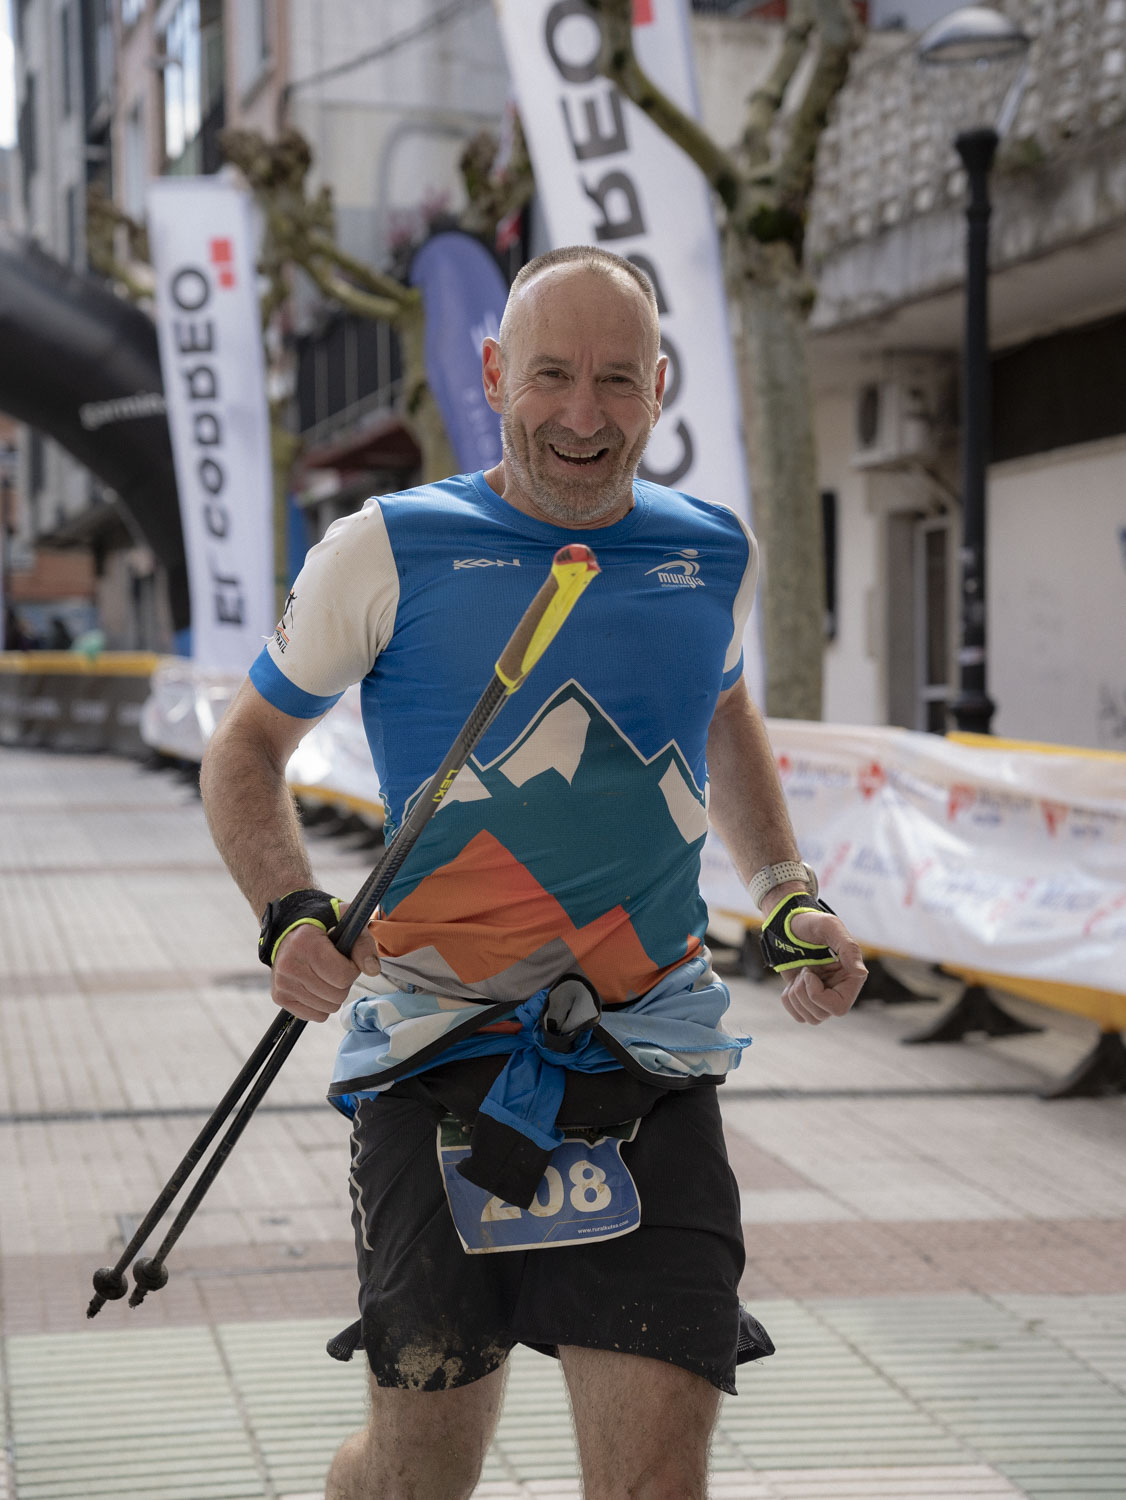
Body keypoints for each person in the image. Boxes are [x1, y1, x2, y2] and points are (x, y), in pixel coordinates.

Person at [199, 245, 867, 1500]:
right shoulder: (387, 547)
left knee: (656, 1482)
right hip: (433, 1055)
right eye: (551, 374)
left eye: (616, 380)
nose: (581, 414)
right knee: (417, 1481)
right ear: (494, 371)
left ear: (659, 387)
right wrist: (288, 912)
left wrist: (786, 893)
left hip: (650, 1056)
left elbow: (721, 711)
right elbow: (245, 748)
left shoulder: (712, 552)